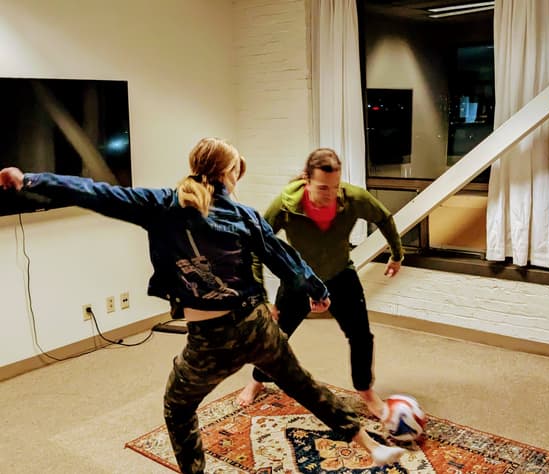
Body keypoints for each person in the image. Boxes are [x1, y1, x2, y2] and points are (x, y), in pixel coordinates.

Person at [0, 138, 405, 474]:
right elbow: (286, 259)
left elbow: (97, 193)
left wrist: (30, 180)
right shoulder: (245, 215)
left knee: (178, 408)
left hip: (210, 339)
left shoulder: (160, 205)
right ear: (228, 175)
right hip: (256, 325)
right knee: (305, 387)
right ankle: (372, 446)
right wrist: (317, 290)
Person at [237, 147, 404, 419]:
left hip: (340, 275)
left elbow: (383, 217)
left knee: (361, 335)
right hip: (298, 280)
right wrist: (261, 297)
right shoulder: (285, 205)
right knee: (277, 336)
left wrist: (397, 255)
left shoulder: (353, 199)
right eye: (323, 188)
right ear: (307, 179)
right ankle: (257, 380)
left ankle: (365, 390)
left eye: (335, 187)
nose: (330, 195)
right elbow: (256, 247)